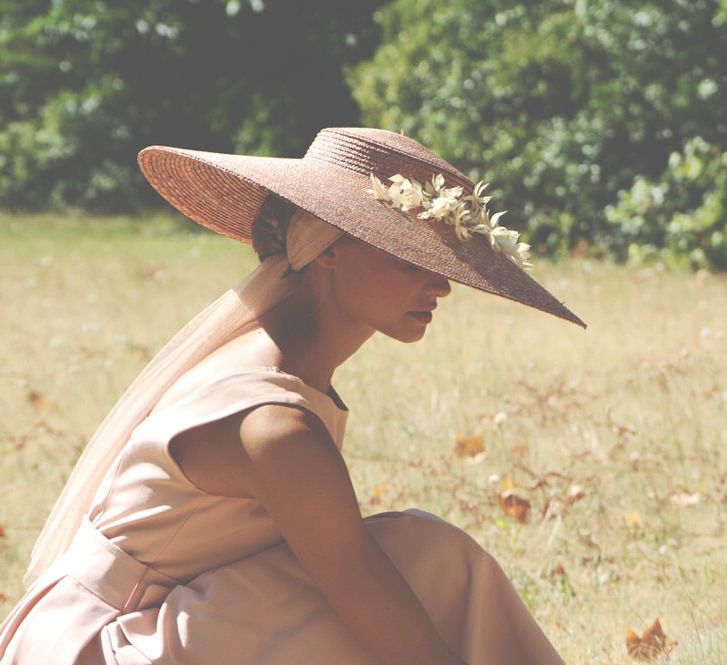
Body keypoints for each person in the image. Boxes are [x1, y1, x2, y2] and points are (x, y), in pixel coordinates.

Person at [0, 127, 585, 665]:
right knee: (414, 575)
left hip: (168, 616)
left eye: (445, 264)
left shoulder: (290, 369)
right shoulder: (274, 425)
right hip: (104, 644)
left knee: (428, 552)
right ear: (328, 250)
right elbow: (370, 603)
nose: (441, 286)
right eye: (412, 258)